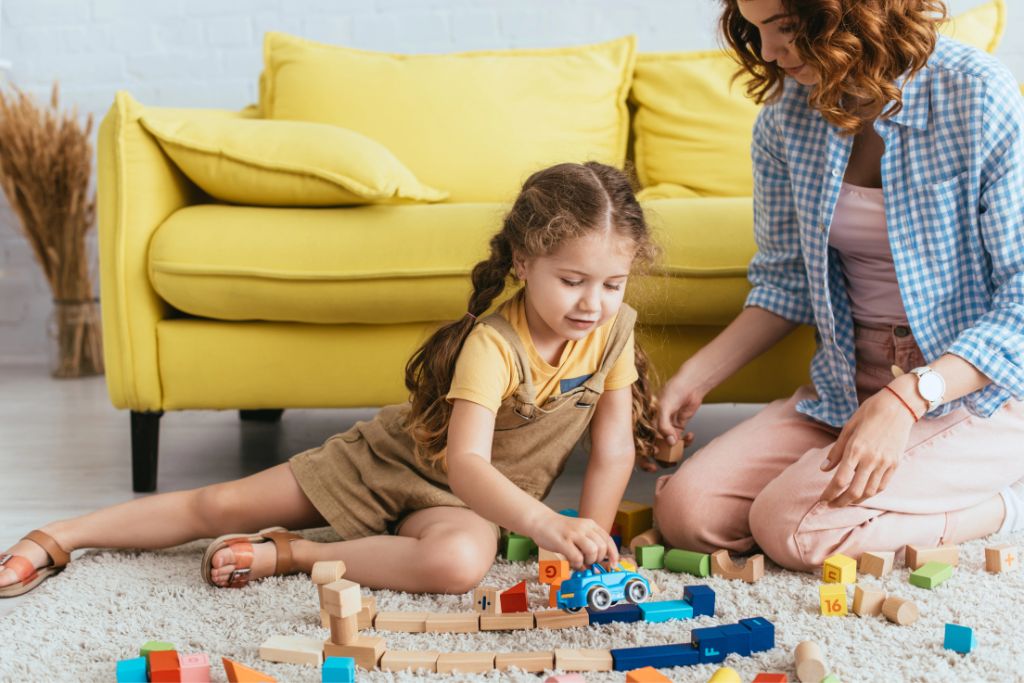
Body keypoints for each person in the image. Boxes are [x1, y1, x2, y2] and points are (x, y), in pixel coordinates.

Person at [0, 161, 661, 597]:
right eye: (572, 281)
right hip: (399, 464)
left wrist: (590, 543)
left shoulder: (614, 330)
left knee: (458, 566)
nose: (592, 303)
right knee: (220, 507)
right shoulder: (494, 343)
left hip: (465, 509)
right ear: (524, 260)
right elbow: (466, 463)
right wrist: (547, 520)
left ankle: (287, 556)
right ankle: (61, 534)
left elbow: (613, 449)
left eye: (611, 282)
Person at [654, 0, 1024, 571]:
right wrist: (693, 378)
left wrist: (909, 397)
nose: (769, 51)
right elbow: (787, 282)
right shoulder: (786, 119)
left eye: (783, 27)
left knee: (792, 529)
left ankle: (1002, 507)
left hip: (975, 390)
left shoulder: (976, 95)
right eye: (755, 30)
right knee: (687, 515)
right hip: (852, 383)